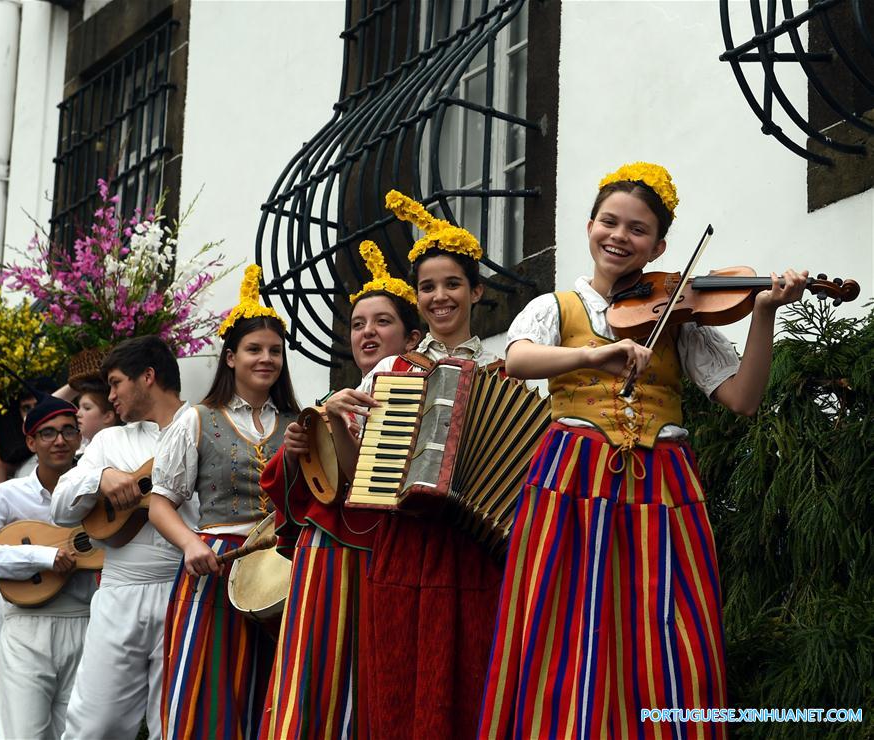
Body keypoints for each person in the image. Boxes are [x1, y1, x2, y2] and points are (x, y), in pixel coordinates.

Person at [477, 162, 807, 739]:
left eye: (637, 229)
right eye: (609, 222)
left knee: (667, 621)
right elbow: (519, 360)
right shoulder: (557, 306)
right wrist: (588, 356)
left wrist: (764, 314)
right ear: (588, 226)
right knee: (564, 618)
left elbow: (744, 398)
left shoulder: (677, 317)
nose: (619, 237)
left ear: (658, 245)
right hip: (572, 477)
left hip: (663, 479)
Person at [344, 190, 505, 738]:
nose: (440, 297)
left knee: (475, 675)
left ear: (476, 290)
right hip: (406, 542)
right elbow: (355, 465)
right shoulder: (393, 367)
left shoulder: (508, 365)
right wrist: (334, 415)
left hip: (476, 546)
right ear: (417, 298)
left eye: (453, 284)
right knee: (399, 677)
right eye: (428, 287)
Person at [258, 240, 422, 739]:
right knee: (316, 673)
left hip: (382, 551)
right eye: (357, 324)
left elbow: (373, 484)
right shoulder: (336, 397)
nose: (367, 332)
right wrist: (294, 449)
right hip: (329, 551)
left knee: (369, 675)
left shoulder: (422, 385)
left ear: (412, 336)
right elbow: (303, 489)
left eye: (382, 321)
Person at [149, 264, 300, 739]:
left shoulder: (299, 421)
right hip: (215, 565)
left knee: (276, 689)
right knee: (210, 687)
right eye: (254, 349)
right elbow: (159, 503)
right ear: (230, 357)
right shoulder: (197, 418)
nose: (266, 359)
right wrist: (191, 546)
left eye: (275, 351)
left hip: (286, 566)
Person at [50, 336, 197, 740]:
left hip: (188, 591)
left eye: (115, 383)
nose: (110, 395)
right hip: (121, 592)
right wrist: (99, 478)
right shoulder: (109, 441)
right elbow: (60, 506)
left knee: (176, 724)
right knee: (95, 726)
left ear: (147, 377)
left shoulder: (204, 426)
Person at [0, 395, 94, 739]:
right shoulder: (6, 497)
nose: (59, 440)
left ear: (79, 438)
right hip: (26, 627)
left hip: (86, 622)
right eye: (48, 433)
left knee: (80, 732)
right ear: (31, 442)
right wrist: (42, 557)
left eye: (68, 431)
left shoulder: (95, 494)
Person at [74, 378, 120, 448]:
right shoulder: (82, 444)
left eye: (87, 408)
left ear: (108, 417)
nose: (78, 414)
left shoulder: (115, 448)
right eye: (79, 407)